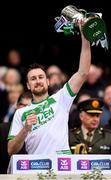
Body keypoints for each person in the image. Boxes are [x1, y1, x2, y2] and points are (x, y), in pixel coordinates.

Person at [7, 20, 91, 156]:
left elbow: (83, 73)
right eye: (33, 79)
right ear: (28, 85)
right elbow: (11, 150)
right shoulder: (21, 113)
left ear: (47, 81)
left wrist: (85, 38)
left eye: (40, 77)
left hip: (63, 166)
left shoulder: (62, 98)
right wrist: (25, 129)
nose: (38, 81)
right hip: (36, 168)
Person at [69, 98, 111, 165]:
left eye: (97, 116)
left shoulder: (110, 137)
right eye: (91, 115)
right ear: (81, 116)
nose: (95, 119)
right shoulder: (70, 136)